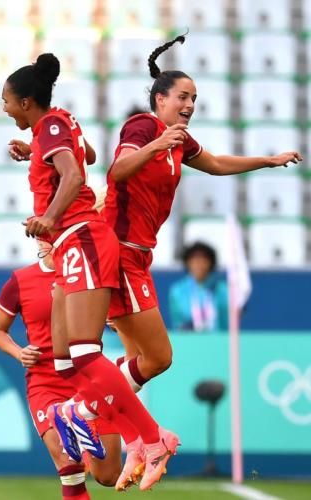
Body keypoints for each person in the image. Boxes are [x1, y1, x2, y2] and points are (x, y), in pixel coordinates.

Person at [2, 53, 180, 491]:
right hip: (71, 244)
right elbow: (85, 153)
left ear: (27, 102)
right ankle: (91, 417)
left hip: (81, 235)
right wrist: (34, 152)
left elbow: (74, 173)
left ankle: (149, 436)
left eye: (6, 101)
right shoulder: (55, 126)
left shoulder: (53, 126)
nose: (3, 108)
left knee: (83, 353)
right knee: (69, 362)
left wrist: (49, 216)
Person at [103, 34, 301, 391]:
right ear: (160, 99)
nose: (190, 104)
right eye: (183, 96)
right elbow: (118, 170)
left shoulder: (178, 138)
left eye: (194, 98)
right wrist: (158, 144)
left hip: (137, 253)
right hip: (121, 251)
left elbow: (215, 163)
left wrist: (267, 161)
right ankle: (87, 405)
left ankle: (126, 437)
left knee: (137, 363)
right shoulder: (144, 126)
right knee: (159, 358)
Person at [0, 241, 122, 499]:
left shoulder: (91, 273)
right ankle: (71, 426)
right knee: (68, 464)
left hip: (89, 378)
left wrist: (118, 322)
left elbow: (117, 313)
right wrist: (19, 352)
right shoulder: (21, 280)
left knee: (108, 475)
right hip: (46, 382)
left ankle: (78, 419)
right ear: (39, 239)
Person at [169, 242, 229, 332]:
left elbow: (227, 322)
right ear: (188, 262)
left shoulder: (223, 289)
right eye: (194, 259)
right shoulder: (177, 291)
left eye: (204, 259)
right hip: (189, 341)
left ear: (211, 263)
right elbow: (177, 323)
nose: (199, 264)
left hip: (219, 341)